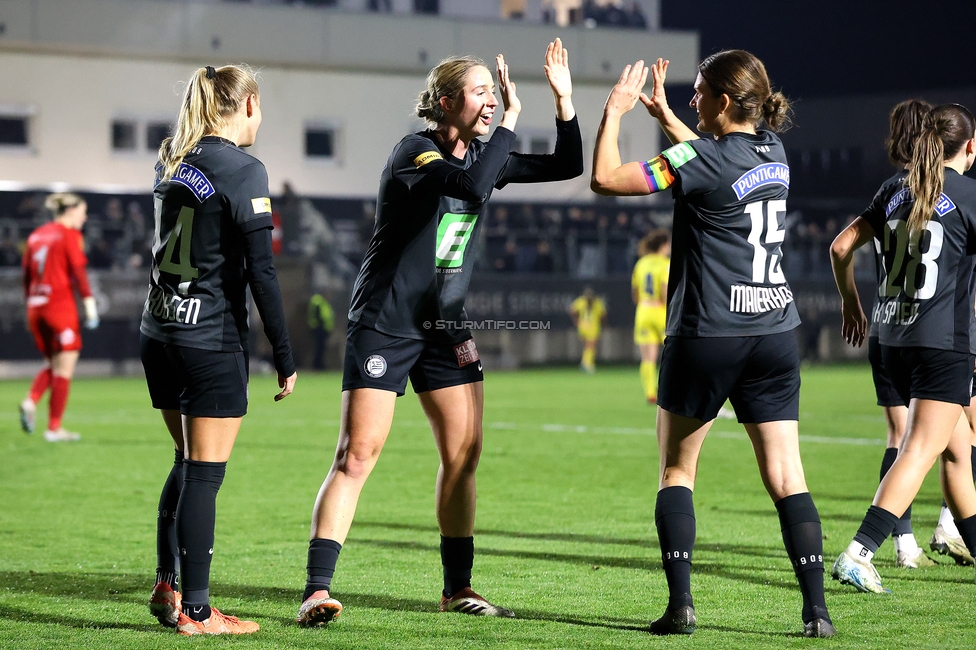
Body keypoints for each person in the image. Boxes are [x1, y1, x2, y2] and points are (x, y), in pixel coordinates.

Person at [297, 39, 583, 627]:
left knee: (463, 453)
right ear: (448, 101)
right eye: (479, 92)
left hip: (445, 326)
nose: (489, 102)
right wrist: (511, 121)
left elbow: (568, 166)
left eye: (491, 92)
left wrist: (564, 103)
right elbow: (471, 186)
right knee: (357, 454)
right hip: (387, 321)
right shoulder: (415, 151)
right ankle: (316, 590)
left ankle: (458, 588)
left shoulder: (484, 155)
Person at [591, 52, 834, 637]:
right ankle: (817, 613)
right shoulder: (774, 152)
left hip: (709, 333)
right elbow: (716, 161)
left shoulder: (697, 158)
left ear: (724, 101)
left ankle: (681, 609)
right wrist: (671, 117)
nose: (692, 101)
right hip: (775, 332)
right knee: (787, 475)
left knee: (677, 469)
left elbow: (605, 178)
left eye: (699, 93)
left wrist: (615, 113)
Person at [142, 64, 297, 636]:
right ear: (248, 104)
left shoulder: (174, 160)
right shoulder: (243, 169)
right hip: (208, 338)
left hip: (159, 330)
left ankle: (167, 585)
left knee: (186, 462)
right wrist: (284, 355)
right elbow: (263, 272)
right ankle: (199, 612)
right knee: (204, 472)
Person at [828, 103, 976, 594]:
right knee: (918, 450)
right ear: (970, 147)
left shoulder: (894, 189)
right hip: (942, 345)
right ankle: (859, 552)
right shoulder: (969, 196)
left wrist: (851, 304)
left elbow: (839, 247)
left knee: (957, 451)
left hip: (892, 339)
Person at [19, 193, 100, 442]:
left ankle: (31, 401)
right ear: (70, 210)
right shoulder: (69, 235)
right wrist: (89, 305)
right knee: (65, 367)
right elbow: (78, 272)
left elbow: (26, 276)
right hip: (59, 306)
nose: (85, 218)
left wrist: (29, 306)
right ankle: (54, 428)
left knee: (54, 364)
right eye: (82, 212)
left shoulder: (36, 235)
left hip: (36, 306)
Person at [631, 229, 670, 402]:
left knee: (648, 357)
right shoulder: (664, 263)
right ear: (663, 245)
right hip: (659, 310)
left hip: (643, 310)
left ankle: (650, 393)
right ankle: (671, 390)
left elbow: (635, 292)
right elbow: (664, 289)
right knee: (674, 353)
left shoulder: (641, 263)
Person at [569, 286, 607, 373]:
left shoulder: (582, 301)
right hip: (591, 326)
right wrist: (577, 321)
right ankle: (587, 364)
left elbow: (572, 310)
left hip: (585, 326)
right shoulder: (596, 302)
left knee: (588, 346)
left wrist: (577, 322)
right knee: (590, 346)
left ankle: (586, 363)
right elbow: (603, 315)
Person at [308, 292, 335, 370]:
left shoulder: (323, 302)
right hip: (319, 328)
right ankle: (317, 365)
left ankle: (319, 364)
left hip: (322, 328)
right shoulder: (318, 301)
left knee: (321, 348)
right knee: (319, 348)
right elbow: (319, 315)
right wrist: (321, 326)